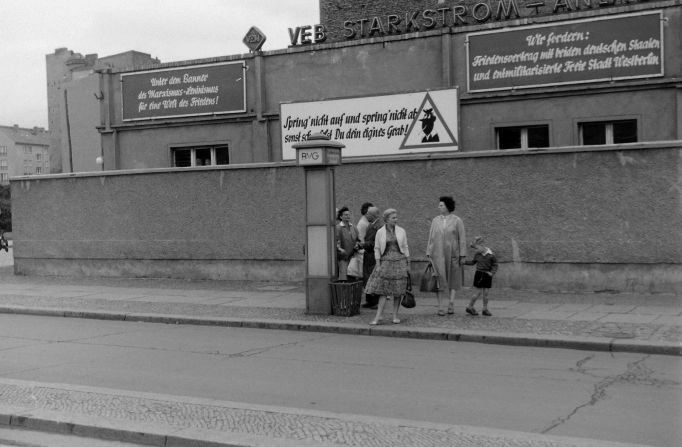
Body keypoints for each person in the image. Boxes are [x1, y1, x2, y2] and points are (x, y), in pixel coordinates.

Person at [364, 208, 410, 325]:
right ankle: (378, 316)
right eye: (393, 218)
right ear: (387, 219)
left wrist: (408, 263)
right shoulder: (380, 232)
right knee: (383, 291)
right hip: (386, 262)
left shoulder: (401, 231)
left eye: (396, 217)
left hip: (399, 262)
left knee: (398, 291)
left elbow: (405, 247)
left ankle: (395, 315)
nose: (396, 219)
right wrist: (378, 264)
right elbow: (377, 249)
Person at [425, 195, 466, 316]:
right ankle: (440, 306)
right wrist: (428, 252)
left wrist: (462, 255)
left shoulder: (457, 220)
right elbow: (431, 237)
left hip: (453, 254)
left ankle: (451, 303)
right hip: (438, 254)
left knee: (453, 279)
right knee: (439, 279)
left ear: (447, 206)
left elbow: (462, 238)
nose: (439, 207)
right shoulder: (435, 220)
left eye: (441, 205)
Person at [464, 236, 498, 316]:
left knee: (486, 293)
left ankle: (485, 309)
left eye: (477, 248)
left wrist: (492, 273)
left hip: (487, 274)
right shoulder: (478, 254)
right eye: (476, 248)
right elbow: (473, 262)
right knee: (478, 292)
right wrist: (464, 262)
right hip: (479, 274)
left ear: (483, 246)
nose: (476, 250)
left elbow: (495, 265)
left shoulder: (491, 255)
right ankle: (470, 307)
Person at [361, 206, 382, 309]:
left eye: (368, 213)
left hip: (374, 257)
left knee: (374, 278)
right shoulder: (371, 225)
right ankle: (369, 300)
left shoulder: (379, 226)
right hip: (368, 256)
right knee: (368, 278)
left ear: (373, 215)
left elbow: (378, 243)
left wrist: (364, 245)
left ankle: (376, 301)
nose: (366, 215)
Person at [335, 206, 359, 281]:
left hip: (353, 257)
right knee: (344, 277)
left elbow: (358, 239)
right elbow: (336, 242)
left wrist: (358, 245)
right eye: (345, 215)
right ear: (341, 217)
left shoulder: (353, 227)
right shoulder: (338, 228)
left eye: (348, 214)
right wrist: (340, 249)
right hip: (343, 258)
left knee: (353, 276)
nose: (348, 216)